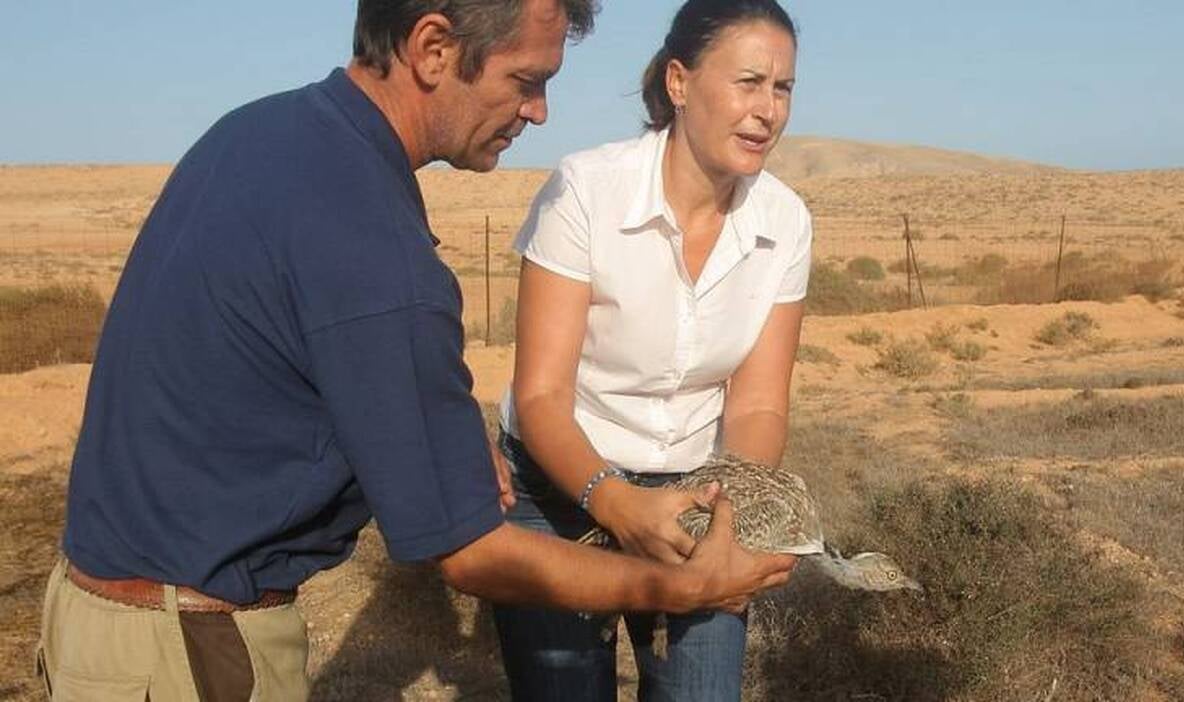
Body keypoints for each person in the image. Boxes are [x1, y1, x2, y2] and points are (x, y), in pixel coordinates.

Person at [34, 1, 797, 699]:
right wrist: (674, 591)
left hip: (97, 615)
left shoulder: (266, 133)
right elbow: (472, 555)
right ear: (433, 48)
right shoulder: (376, 245)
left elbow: (309, 356)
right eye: (525, 80)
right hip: (186, 650)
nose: (538, 111)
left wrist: (454, 423)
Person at [492, 0, 808, 699]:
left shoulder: (784, 221)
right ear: (679, 82)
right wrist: (616, 503)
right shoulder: (586, 191)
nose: (768, 110)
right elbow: (542, 395)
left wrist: (732, 520)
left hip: (699, 494)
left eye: (782, 88)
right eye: (749, 81)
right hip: (561, 486)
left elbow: (758, 404)